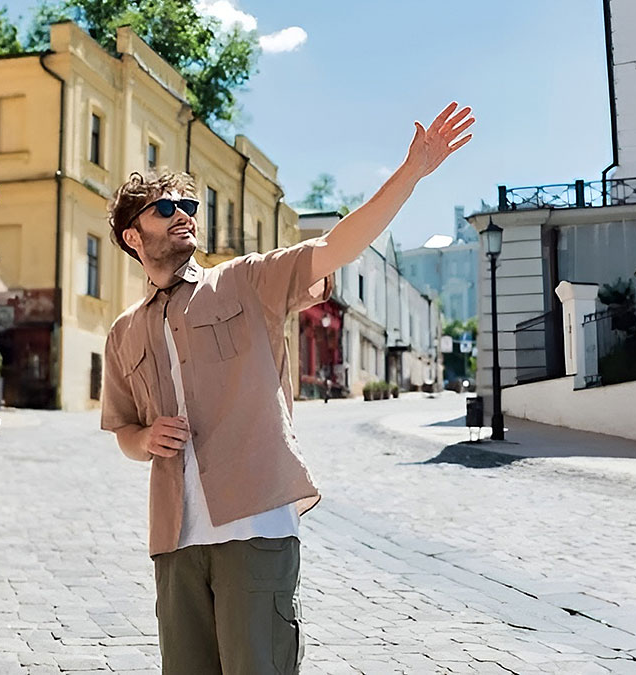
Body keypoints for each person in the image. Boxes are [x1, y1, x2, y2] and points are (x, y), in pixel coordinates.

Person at [100, 103, 473, 674]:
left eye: (190, 206)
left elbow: (337, 247)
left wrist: (412, 172)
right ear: (133, 234)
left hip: (255, 524)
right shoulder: (124, 331)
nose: (185, 215)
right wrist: (146, 437)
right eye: (167, 207)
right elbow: (124, 431)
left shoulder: (247, 281)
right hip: (174, 541)